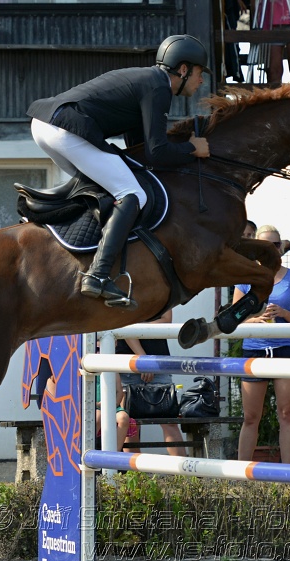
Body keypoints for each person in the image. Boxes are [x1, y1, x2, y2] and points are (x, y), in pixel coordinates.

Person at [27, 34, 211, 307]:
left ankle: (54, 224)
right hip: (64, 130)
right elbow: (156, 152)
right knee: (134, 194)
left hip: (46, 126)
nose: (201, 82)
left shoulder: (148, 81)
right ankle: (98, 276)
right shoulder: (159, 88)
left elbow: (138, 147)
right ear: (183, 70)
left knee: (106, 186)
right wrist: (191, 149)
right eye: (199, 73)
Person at [234, 225, 290, 463]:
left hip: (285, 348)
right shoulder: (245, 277)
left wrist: (284, 313)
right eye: (266, 245)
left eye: (275, 245)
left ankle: (289, 473)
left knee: (286, 413)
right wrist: (254, 319)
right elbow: (233, 316)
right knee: (251, 416)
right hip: (255, 349)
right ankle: (240, 475)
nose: (271, 249)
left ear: (281, 247)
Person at [117, 310, 186, 456]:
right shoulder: (123, 288)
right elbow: (123, 323)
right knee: (130, 424)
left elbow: (167, 320)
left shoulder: (164, 289)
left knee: (169, 422)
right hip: (129, 362)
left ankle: (183, 475)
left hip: (156, 361)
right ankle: (134, 476)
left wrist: (135, 327)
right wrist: (143, 359)